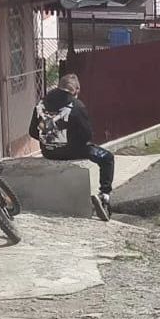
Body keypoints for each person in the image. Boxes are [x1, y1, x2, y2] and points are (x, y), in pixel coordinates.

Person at [32, 72, 114, 221]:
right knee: (107, 158)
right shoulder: (76, 105)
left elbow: (32, 131)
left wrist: (50, 142)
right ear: (76, 90)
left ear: (59, 86)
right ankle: (104, 196)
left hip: (48, 151)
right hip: (72, 151)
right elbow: (87, 135)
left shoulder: (41, 104)